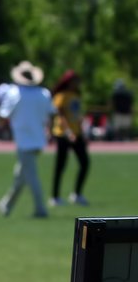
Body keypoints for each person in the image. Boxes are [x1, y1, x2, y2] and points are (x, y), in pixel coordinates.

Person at [0, 60, 55, 219]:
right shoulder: (44, 93)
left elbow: (3, 114)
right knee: (21, 175)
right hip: (38, 140)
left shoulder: (15, 93)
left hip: (23, 141)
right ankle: (6, 205)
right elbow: (51, 114)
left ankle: (40, 208)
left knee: (30, 176)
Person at [49, 69, 90, 207]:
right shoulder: (61, 96)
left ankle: (77, 194)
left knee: (85, 163)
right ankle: (55, 197)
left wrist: (81, 133)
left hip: (76, 133)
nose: (77, 83)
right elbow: (60, 116)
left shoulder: (76, 95)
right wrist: (68, 132)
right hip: (63, 134)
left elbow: (77, 115)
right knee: (60, 166)